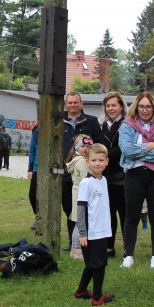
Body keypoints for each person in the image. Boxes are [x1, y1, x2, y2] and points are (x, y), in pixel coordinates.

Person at [118, 91, 154, 269]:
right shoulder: (127, 124)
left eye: (148, 106)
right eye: (141, 106)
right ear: (136, 107)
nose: (145, 110)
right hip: (134, 175)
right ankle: (129, 256)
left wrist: (139, 152)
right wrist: (148, 146)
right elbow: (126, 150)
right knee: (131, 216)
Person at [74, 142, 116, 306]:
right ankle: (97, 298)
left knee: (92, 263)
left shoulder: (103, 180)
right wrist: (83, 233)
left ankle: (81, 291)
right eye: (93, 160)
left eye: (101, 160)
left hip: (102, 231)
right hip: (91, 233)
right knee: (99, 265)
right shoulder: (87, 183)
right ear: (87, 162)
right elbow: (81, 208)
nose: (97, 163)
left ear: (107, 161)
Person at [62, 91, 101, 249]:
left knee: (86, 208)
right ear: (66, 104)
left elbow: (98, 145)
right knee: (69, 208)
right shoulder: (59, 121)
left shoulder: (91, 122)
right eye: (69, 103)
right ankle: (73, 241)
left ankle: (87, 240)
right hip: (66, 173)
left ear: (81, 103)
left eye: (75, 102)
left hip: (86, 174)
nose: (72, 105)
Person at [98, 92, 126, 256]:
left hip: (122, 175)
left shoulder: (127, 124)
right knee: (108, 213)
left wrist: (104, 154)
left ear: (121, 106)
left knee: (124, 214)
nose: (110, 108)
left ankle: (128, 249)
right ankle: (109, 246)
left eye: (114, 105)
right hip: (105, 176)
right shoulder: (103, 125)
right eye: (108, 106)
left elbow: (124, 148)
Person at [66, 134, 92, 258]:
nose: (85, 148)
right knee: (80, 223)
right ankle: (77, 249)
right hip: (82, 194)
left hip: (77, 192)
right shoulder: (82, 162)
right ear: (77, 147)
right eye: (83, 146)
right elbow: (86, 179)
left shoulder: (77, 159)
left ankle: (76, 248)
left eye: (88, 146)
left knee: (78, 221)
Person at [27, 124, 39, 222]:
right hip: (37, 169)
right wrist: (30, 169)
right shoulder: (36, 132)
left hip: (51, 169)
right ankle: (38, 216)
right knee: (32, 195)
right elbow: (32, 151)